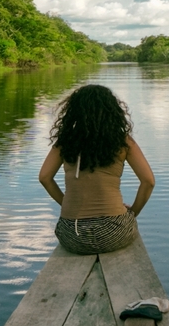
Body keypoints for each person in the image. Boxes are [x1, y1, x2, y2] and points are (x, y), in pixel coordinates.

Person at [38, 84, 155, 255]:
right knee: (129, 226)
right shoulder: (123, 142)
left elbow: (44, 177)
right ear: (111, 111)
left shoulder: (65, 142)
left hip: (72, 234)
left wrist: (66, 203)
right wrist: (132, 213)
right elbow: (148, 181)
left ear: (74, 112)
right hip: (114, 232)